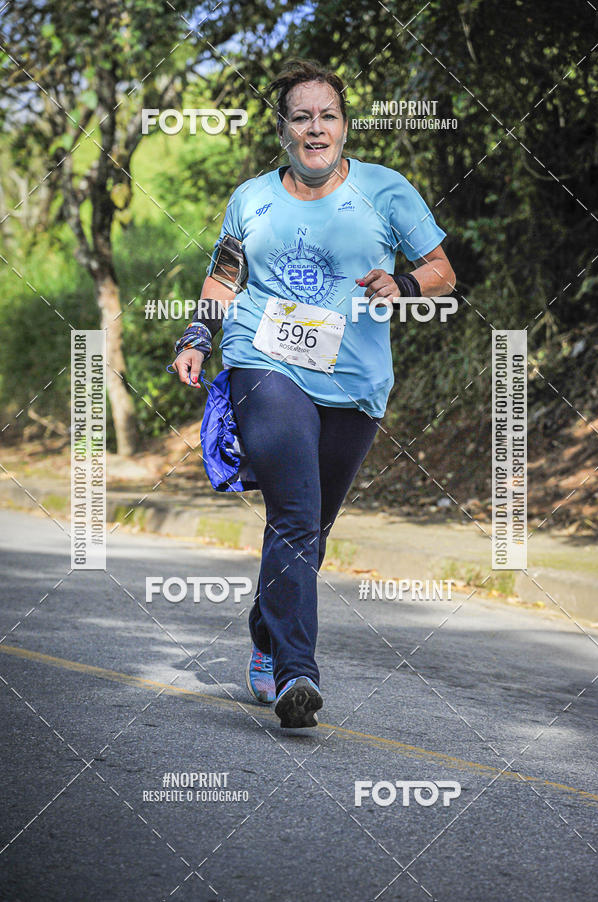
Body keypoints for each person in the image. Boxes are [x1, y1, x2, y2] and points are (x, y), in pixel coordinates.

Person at [172, 58, 455, 728]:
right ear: (284, 130)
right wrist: (197, 337)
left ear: (345, 126)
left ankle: (267, 633)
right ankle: (299, 672)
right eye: (302, 116)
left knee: (311, 525)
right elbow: (224, 279)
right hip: (263, 362)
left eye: (327, 115)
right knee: (295, 513)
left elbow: (441, 269)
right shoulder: (252, 199)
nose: (316, 128)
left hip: (354, 381)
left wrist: (405, 287)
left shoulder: (386, 192)